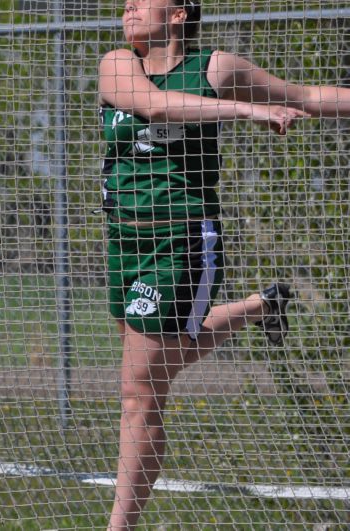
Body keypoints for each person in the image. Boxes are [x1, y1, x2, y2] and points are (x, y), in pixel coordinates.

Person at [98, 1, 350, 529]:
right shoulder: (118, 62)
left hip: (181, 239)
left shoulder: (215, 69)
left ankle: (118, 527)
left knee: (139, 391)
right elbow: (155, 106)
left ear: (179, 14)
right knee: (161, 363)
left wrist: (256, 100)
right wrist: (245, 111)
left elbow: (304, 96)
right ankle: (262, 305)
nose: (129, 6)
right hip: (122, 239)